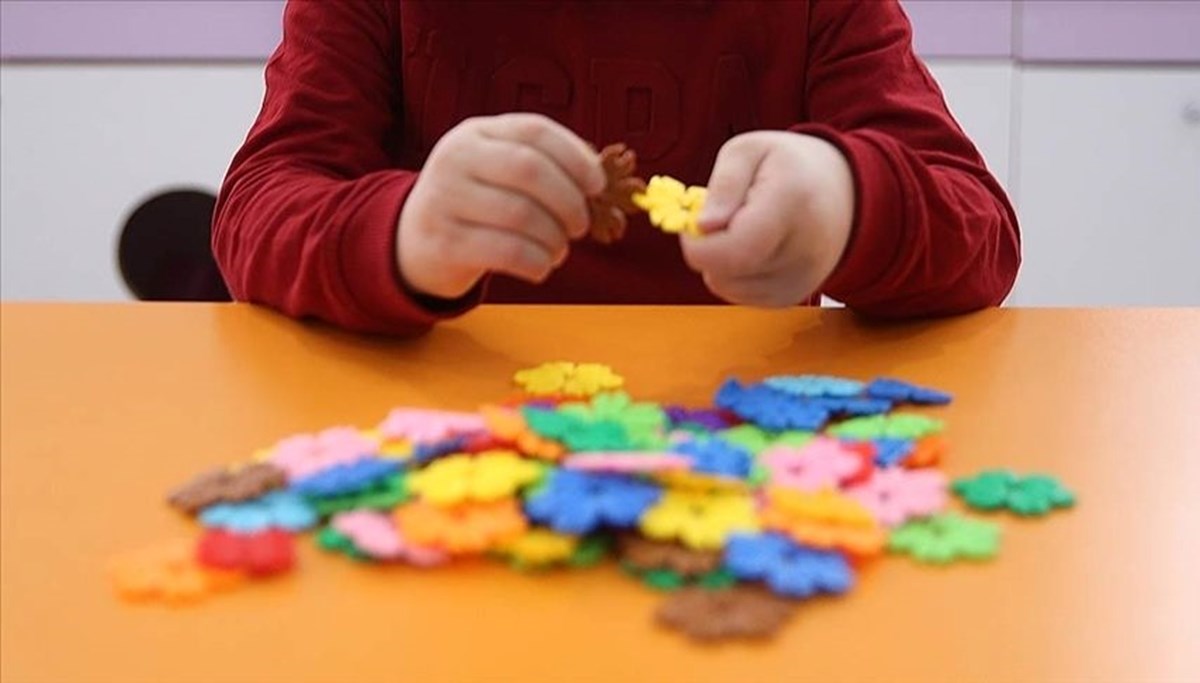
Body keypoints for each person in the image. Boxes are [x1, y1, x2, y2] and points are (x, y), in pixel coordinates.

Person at [213, 0, 1019, 336]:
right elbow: (261, 204)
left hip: (737, 451)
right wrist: (402, 236)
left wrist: (848, 200)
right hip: (430, 436)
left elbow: (979, 230)